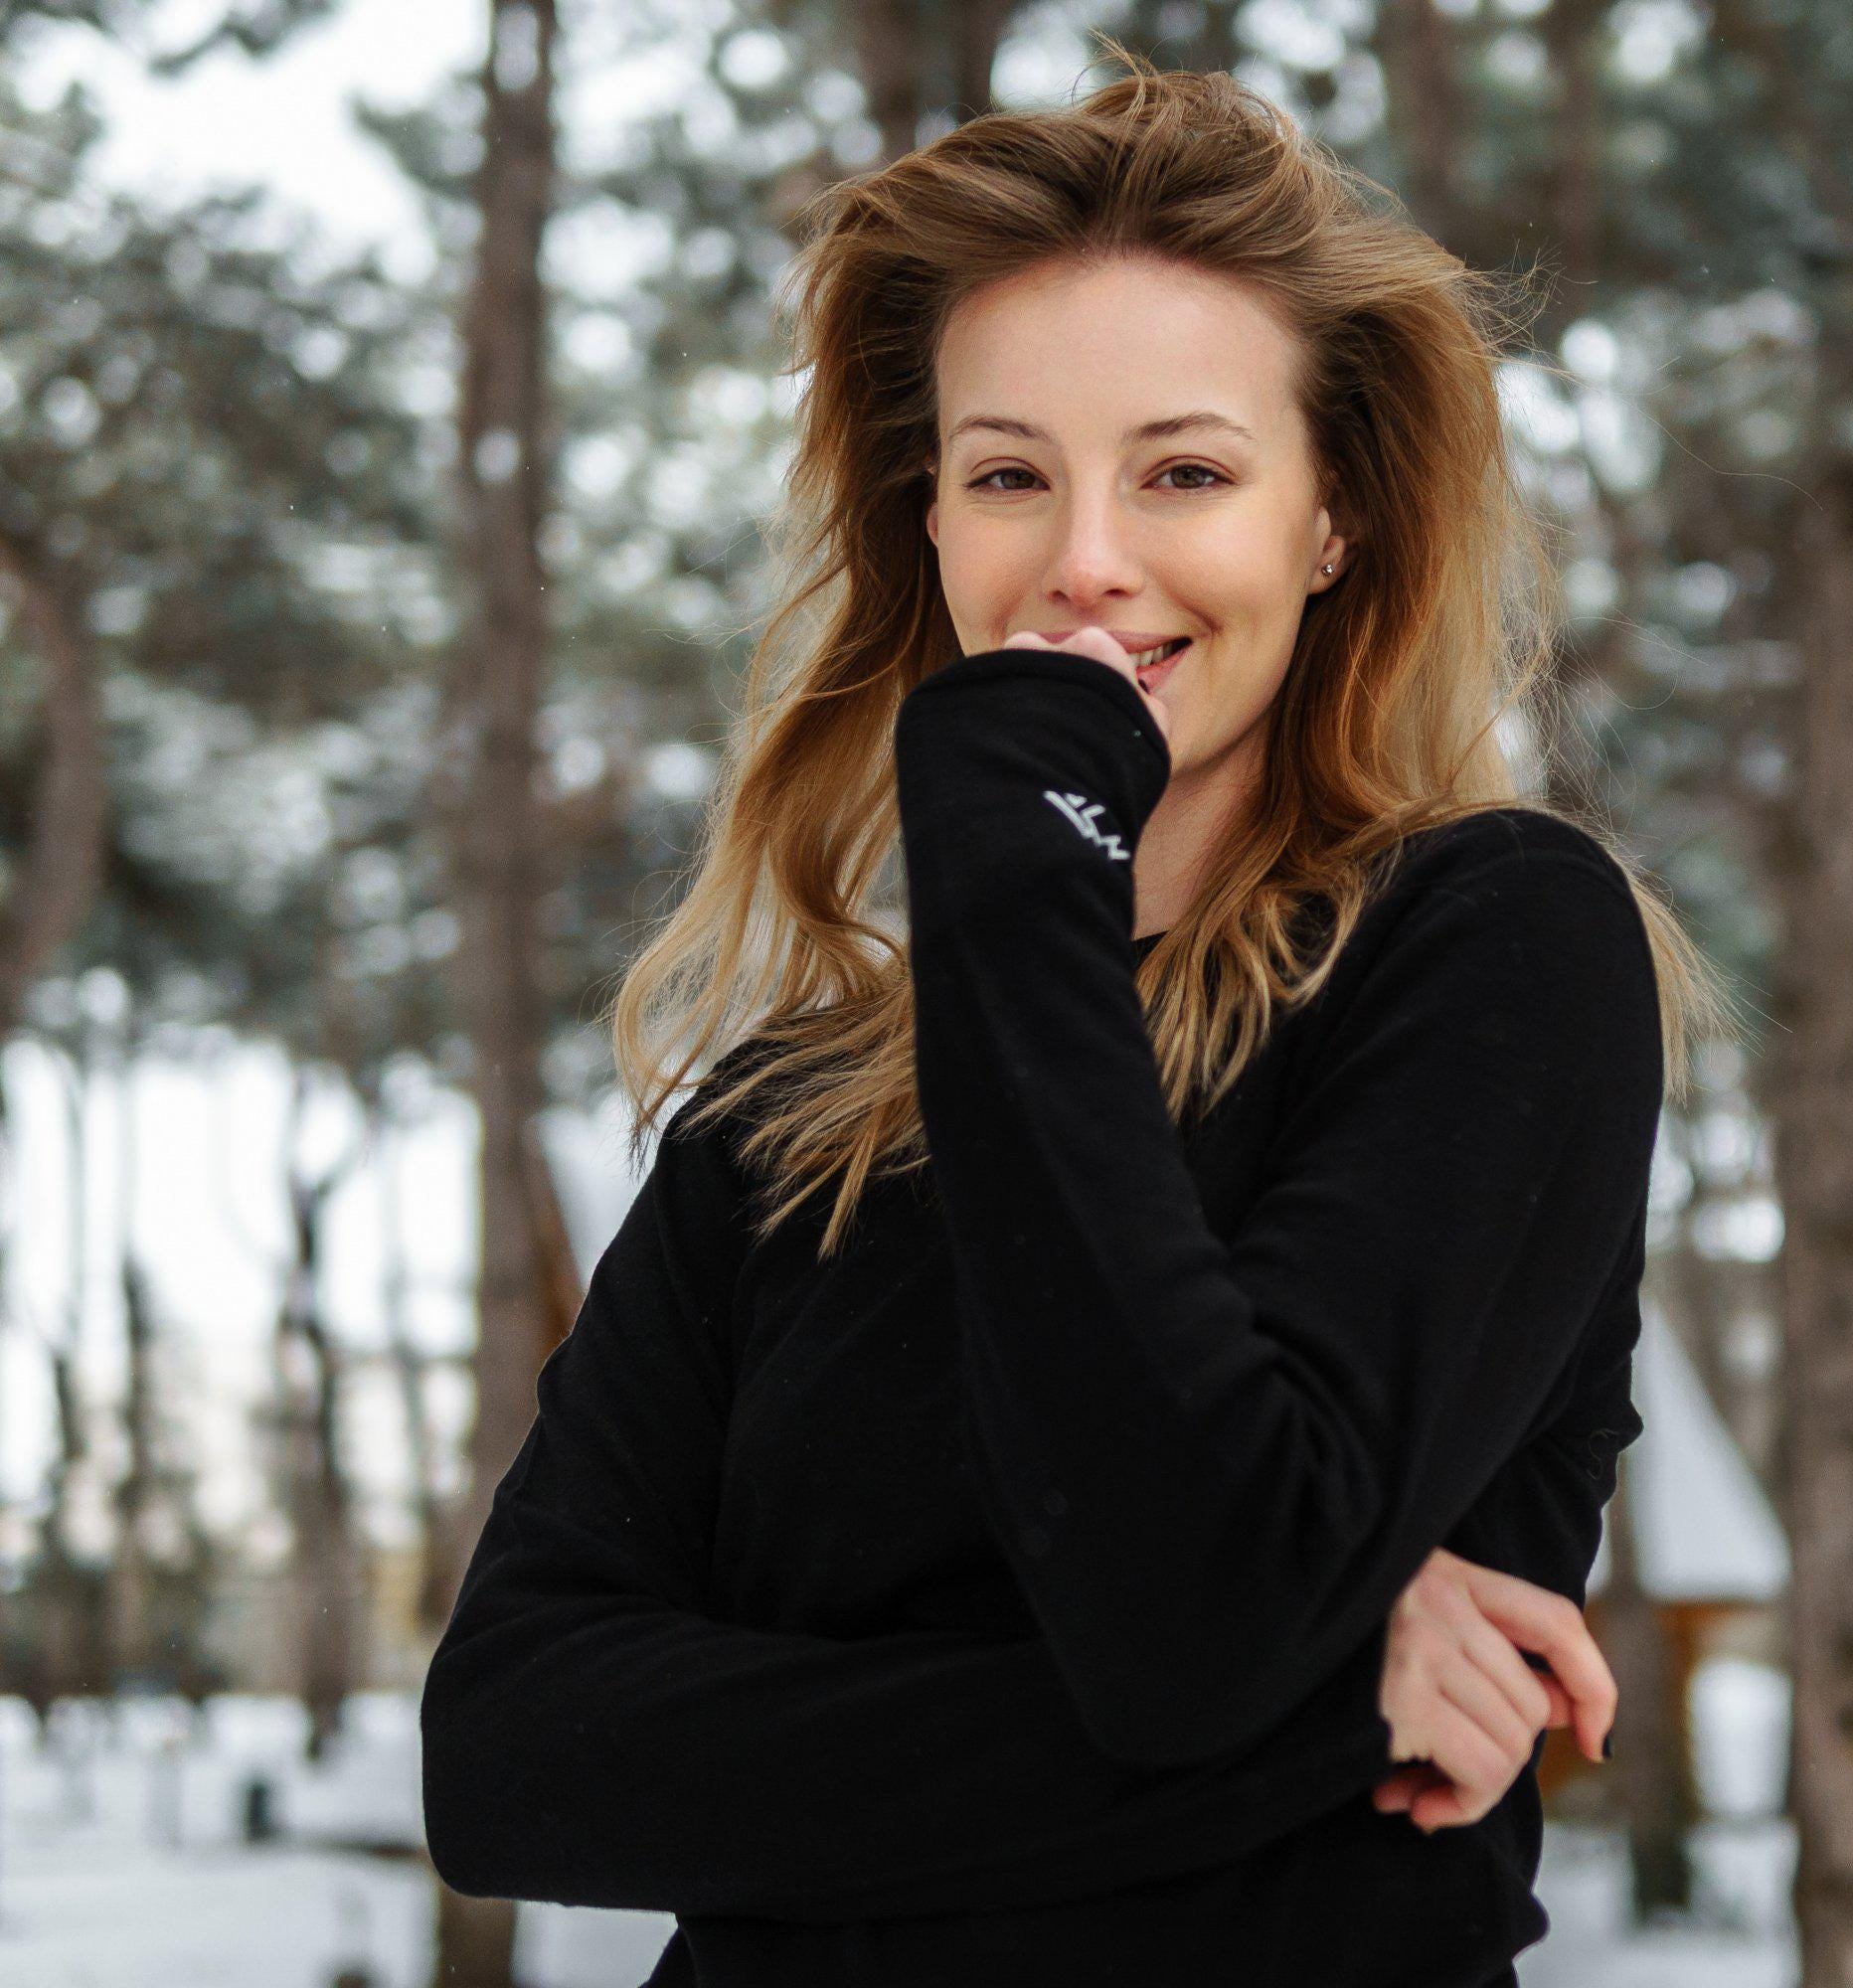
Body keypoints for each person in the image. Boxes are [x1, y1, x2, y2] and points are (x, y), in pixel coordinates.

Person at [420, 42, 1737, 1988]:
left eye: (1185, 471)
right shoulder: (785, 1122)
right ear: (930, 523)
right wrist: (1336, 1701)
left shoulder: (1491, 948)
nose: (1085, 561)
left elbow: (1197, 1610)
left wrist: (1027, 834)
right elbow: (513, 1753)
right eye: (1007, 475)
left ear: (1331, 518)